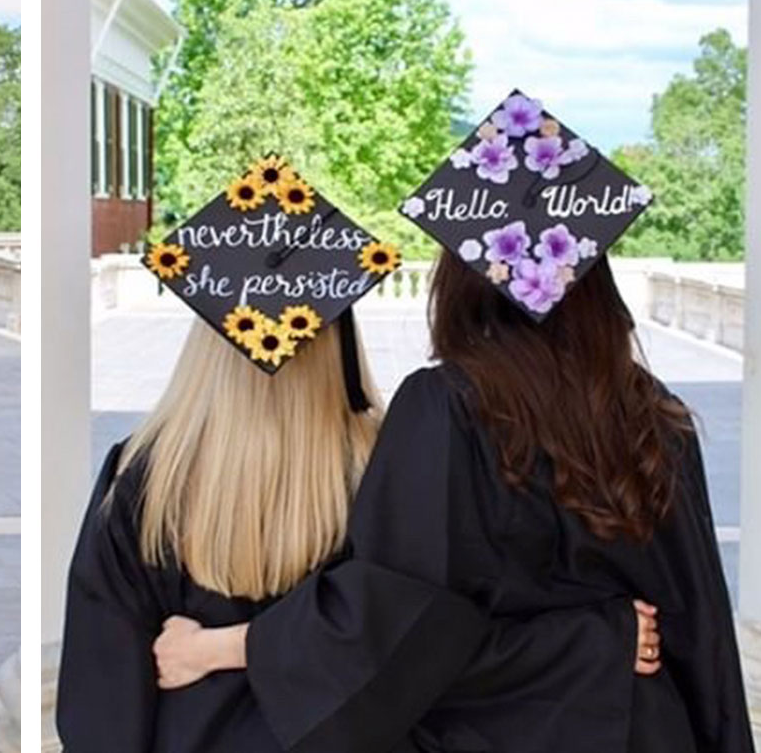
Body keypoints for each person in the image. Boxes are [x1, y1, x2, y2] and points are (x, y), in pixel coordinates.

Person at [154, 94, 749, 752]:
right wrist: (604, 642)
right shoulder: (655, 414)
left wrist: (222, 648)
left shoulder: (446, 408)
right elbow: (702, 635)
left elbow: (397, 635)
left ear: (461, 278)